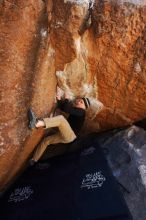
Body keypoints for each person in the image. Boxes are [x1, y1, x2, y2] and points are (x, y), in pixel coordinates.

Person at [28, 95, 91, 165]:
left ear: (84, 107)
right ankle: (34, 160)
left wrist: (67, 98)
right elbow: (64, 108)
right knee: (46, 141)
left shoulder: (82, 112)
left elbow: (66, 109)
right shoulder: (77, 111)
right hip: (68, 137)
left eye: (81, 102)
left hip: (70, 135)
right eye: (79, 100)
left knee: (61, 119)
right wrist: (59, 100)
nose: (79, 102)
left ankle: (37, 123)